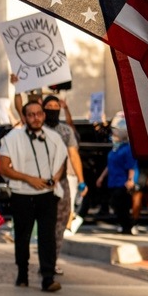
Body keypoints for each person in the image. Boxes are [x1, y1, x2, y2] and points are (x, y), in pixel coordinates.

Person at [0, 99, 65, 291]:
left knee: (47, 237)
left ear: (43, 115)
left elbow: (61, 162)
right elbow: (3, 167)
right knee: (22, 236)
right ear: (25, 117)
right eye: (31, 114)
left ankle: (48, 278)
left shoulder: (54, 138)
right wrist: (29, 179)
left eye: (39, 114)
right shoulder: (12, 137)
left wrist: (55, 177)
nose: (36, 118)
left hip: (47, 195)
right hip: (22, 194)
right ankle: (22, 273)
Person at [40, 93, 84, 260]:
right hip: (39, 183)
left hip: (61, 182)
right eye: (49, 108)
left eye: (55, 108)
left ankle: (52, 259)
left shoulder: (66, 131)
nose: (52, 111)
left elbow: (73, 155)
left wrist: (82, 181)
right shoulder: (36, 129)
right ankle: (42, 258)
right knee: (44, 224)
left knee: (61, 221)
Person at [102, 122, 139, 235]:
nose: (112, 137)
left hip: (122, 182)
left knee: (121, 204)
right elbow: (109, 165)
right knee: (116, 204)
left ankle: (127, 226)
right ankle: (124, 226)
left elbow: (131, 166)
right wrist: (101, 177)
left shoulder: (127, 149)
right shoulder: (115, 149)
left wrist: (131, 179)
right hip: (113, 180)